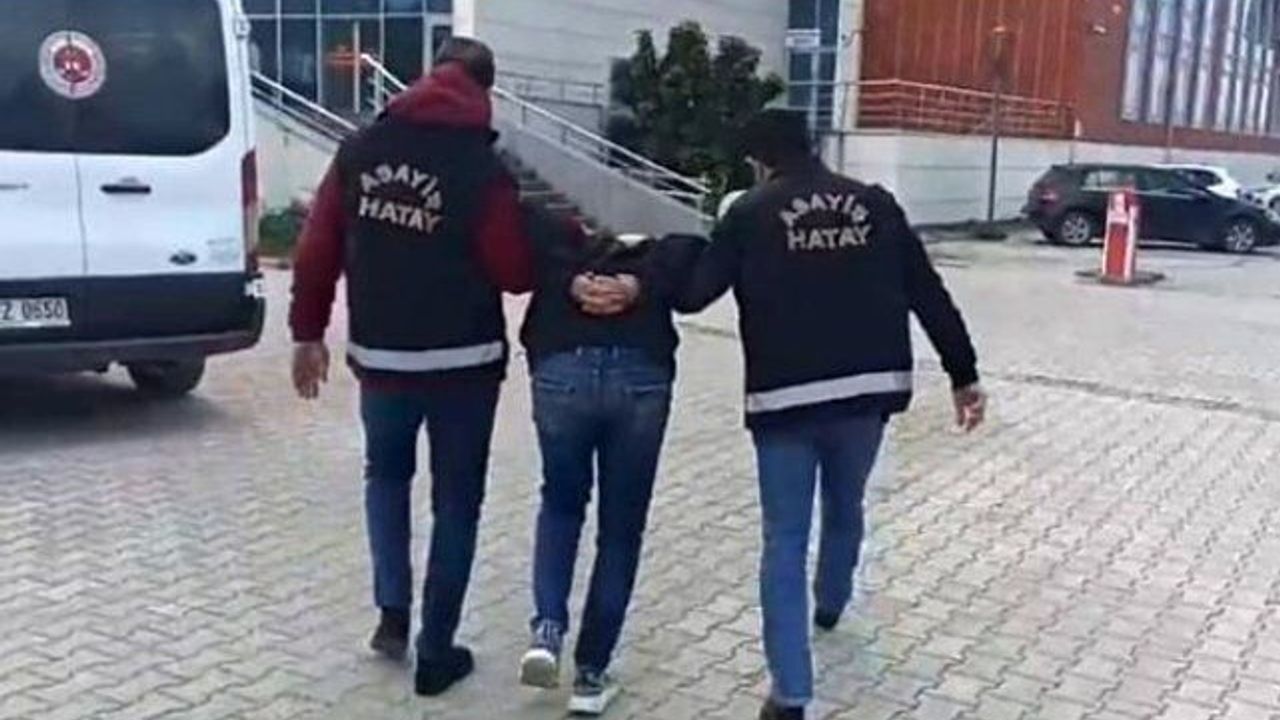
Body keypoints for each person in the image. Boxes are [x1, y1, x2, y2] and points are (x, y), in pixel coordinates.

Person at [675, 110, 986, 720]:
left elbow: (693, 295)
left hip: (785, 398)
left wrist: (669, 253)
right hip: (868, 391)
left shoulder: (749, 214)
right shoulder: (876, 204)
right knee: (847, 503)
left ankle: (790, 694)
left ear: (758, 161)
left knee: (784, 539)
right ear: (812, 146)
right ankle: (832, 599)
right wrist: (963, 373)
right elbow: (927, 291)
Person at [288, 38, 531, 697]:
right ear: (484, 89)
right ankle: (436, 650)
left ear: (430, 75)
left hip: (383, 361)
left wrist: (307, 333)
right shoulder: (482, 166)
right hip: (464, 367)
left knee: (386, 479)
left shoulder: (359, 150)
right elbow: (513, 270)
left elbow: (316, 248)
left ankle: (392, 618)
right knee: (457, 501)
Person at [516, 204, 703, 716]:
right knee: (621, 528)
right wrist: (639, 288)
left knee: (560, 505)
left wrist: (571, 283)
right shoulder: (661, 258)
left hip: (562, 372)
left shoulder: (557, 248)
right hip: (640, 378)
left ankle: (547, 630)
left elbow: (525, 242)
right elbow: (694, 260)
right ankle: (591, 674)